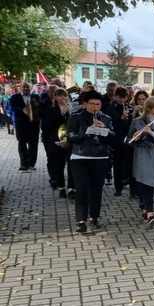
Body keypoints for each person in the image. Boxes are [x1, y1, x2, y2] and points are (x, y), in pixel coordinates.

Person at [66, 90, 114, 233]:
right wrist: (86, 133)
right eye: (92, 104)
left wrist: (104, 130)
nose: (95, 107)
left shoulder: (105, 118)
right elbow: (70, 136)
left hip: (100, 157)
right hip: (80, 157)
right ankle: (81, 221)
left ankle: (94, 217)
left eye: (98, 104)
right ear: (85, 104)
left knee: (96, 190)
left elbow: (113, 137)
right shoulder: (76, 117)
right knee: (81, 189)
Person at [127, 96, 154, 226]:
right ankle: (149, 211)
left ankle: (145, 206)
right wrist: (135, 137)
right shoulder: (137, 121)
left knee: (150, 182)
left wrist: (152, 133)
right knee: (143, 182)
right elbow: (128, 140)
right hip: (142, 154)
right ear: (149, 109)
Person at [39, 87, 71, 197]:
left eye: (64, 95)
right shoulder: (51, 109)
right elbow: (49, 123)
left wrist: (69, 112)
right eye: (60, 95)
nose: (63, 97)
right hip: (57, 139)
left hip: (70, 139)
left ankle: (72, 188)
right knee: (59, 164)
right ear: (56, 97)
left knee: (71, 165)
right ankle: (61, 187)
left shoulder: (71, 108)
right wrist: (61, 113)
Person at [104, 86, 134, 196]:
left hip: (128, 138)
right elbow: (111, 124)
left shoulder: (128, 107)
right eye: (120, 97)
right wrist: (121, 118)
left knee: (129, 163)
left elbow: (132, 124)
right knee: (117, 164)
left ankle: (130, 185)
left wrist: (131, 115)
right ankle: (118, 188)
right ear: (115, 96)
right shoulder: (110, 108)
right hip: (117, 140)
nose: (122, 100)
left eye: (124, 98)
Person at [9, 82, 40, 171]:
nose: (26, 88)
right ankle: (23, 163)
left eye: (27, 87)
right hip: (21, 124)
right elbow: (13, 107)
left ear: (30, 88)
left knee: (33, 144)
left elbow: (39, 108)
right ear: (20, 88)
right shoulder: (15, 97)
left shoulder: (36, 97)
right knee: (22, 143)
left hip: (34, 124)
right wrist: (22, 110)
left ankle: (31, 164)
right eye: (24, 87)